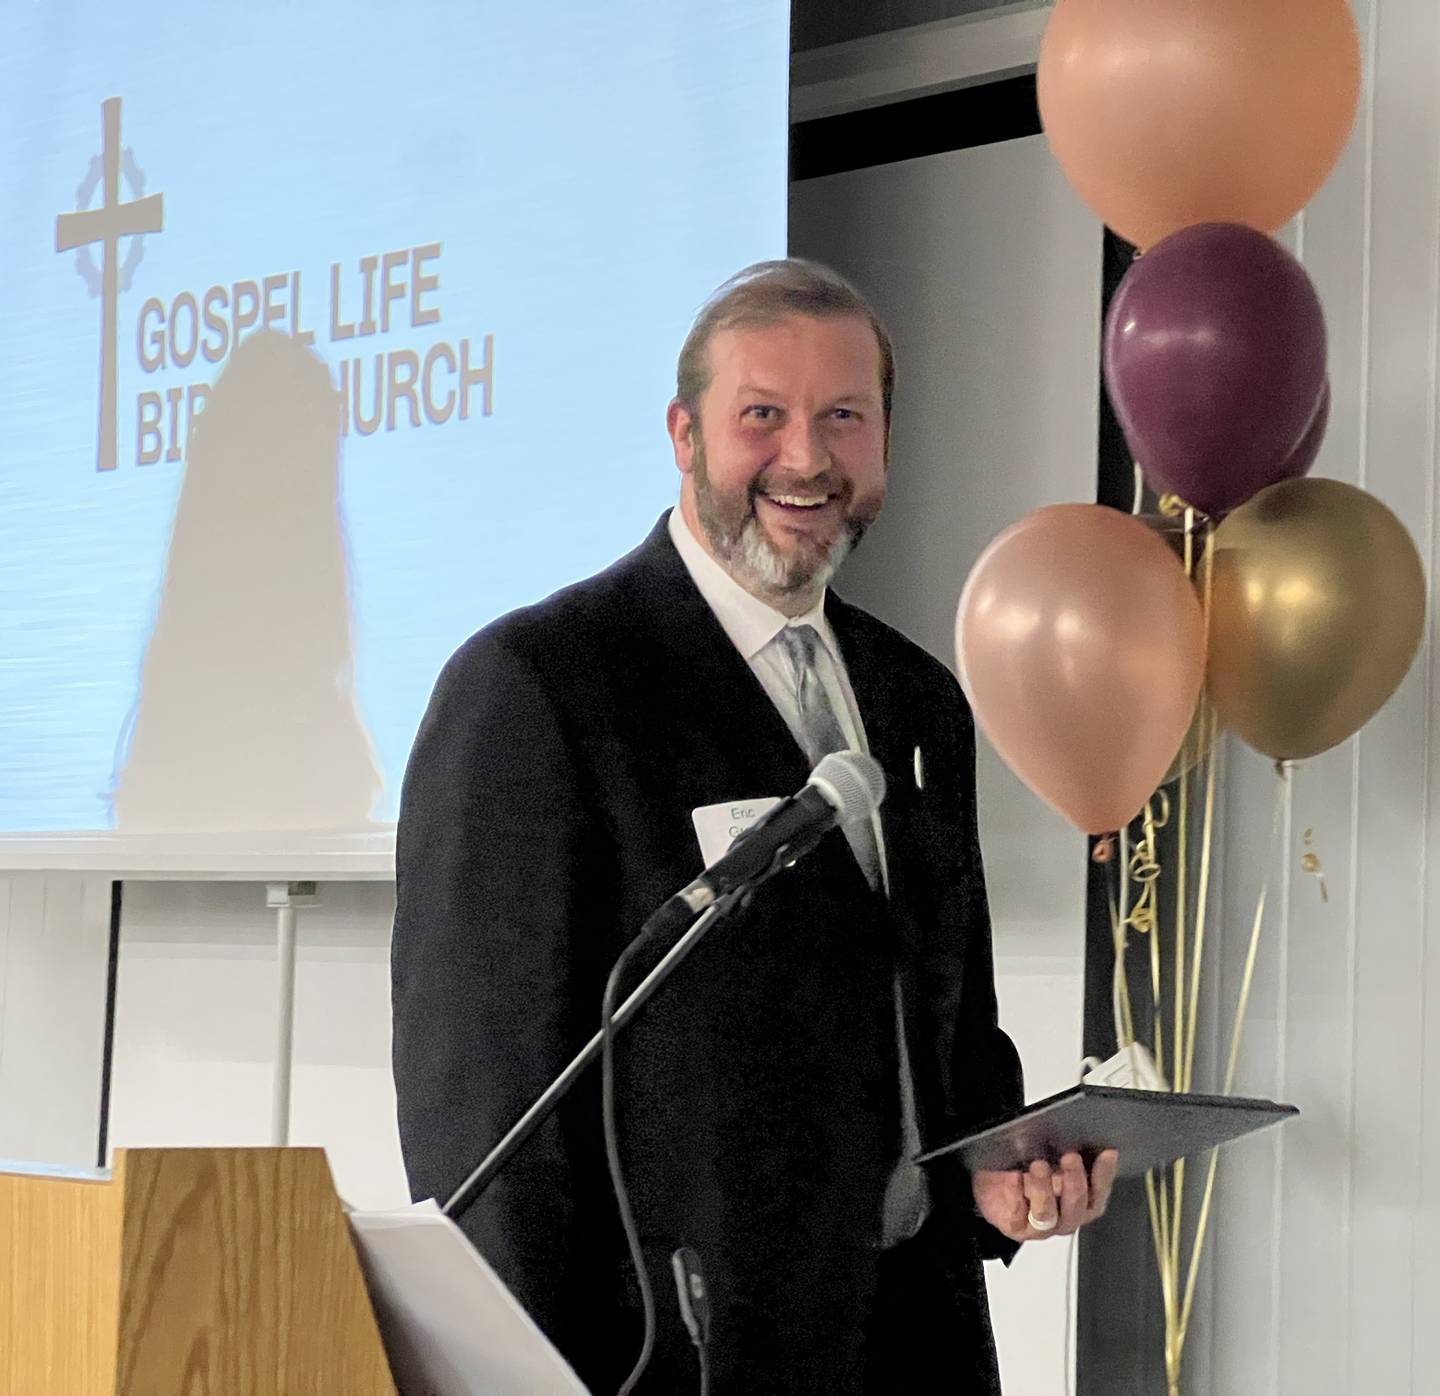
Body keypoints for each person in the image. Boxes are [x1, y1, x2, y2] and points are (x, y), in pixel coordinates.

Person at [391, 259, 1117, 1394]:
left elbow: (946, 1027)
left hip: (915, 1346)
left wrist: (1002, 1177)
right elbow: (484, 1116)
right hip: (681, 1360)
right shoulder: (540, 685)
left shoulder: (919, 697)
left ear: (884, 438)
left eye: (844, 417)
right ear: (684, 435)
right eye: (762, 416)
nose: (807, 458)